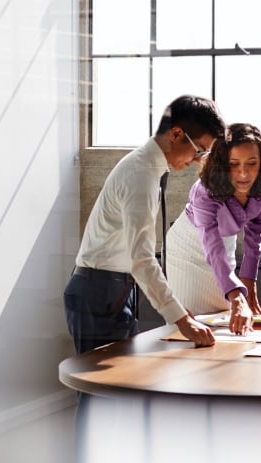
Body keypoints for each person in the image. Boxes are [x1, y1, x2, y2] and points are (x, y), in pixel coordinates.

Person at [64, 95, 226, 354]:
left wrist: (178, 311)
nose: (199, 160)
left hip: (113, 289)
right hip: (99, 291)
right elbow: (142, 259)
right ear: (176, 134)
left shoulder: (147, 169)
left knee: (120, 387)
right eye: (200, 150)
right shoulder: (140, 175)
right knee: (102, 390)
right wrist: (182, 320)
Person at [166, 123, 261, 335]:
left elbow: (256, 225)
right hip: (188, 248)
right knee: (192, 329)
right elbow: (211, 247)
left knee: (227, 326)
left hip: (225, 243)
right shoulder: (205, 191)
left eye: (252, 163)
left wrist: (248, 280)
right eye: (234, 164)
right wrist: (236, 295)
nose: (243, 173)